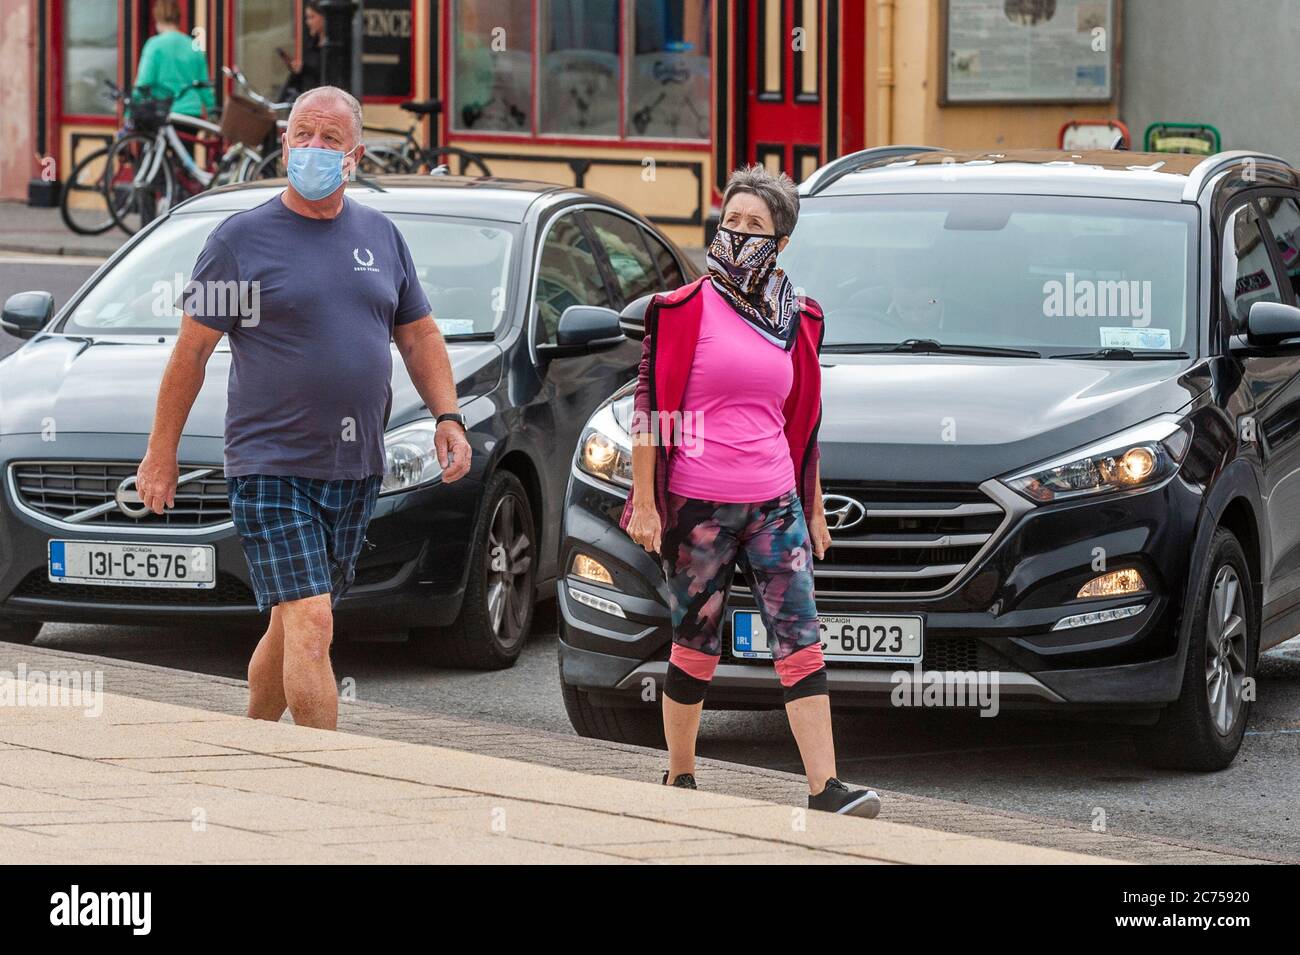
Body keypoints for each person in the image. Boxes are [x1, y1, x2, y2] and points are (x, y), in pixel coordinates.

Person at [136, 86, 472, 731]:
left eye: (330, 140)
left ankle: (254, 740)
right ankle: (325, 772)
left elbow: (418, 333)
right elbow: (192, 353)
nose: (314, 150)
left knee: (294, 619)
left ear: (355, 154)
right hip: (270, 463)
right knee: (314, 620)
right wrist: (161, 453)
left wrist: (447, 416)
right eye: (303, 136)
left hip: (353, 464)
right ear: (284, 142)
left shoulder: (381, 234)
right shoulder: (242, 239)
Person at [623, 164, 882, 817]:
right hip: (699, 505)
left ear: (781, 243)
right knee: (697, 638)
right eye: (730, 220)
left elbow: (805, 420)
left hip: (775, 503)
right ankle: (680, 773)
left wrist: (813, 504)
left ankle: (826, 787)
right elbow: (650, 411)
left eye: (754, 225)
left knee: (799, 634)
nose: (736, 232)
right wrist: (647, 502)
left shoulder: (801, 319)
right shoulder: (680, 310)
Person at [132, 0, 214, 118]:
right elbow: (204, 87)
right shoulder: (193, 46)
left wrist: (131, 109)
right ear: (178, 20)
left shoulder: (154, 45)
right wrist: (212, 112)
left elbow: (144, 81)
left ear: (157, 19)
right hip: (192, 113)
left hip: (164, 111)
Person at [281, 1, 327, 100]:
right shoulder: (311, 45)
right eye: (307, 18)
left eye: (312, 17)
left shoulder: (332, 47)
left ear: (324, 17)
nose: (308, 22)